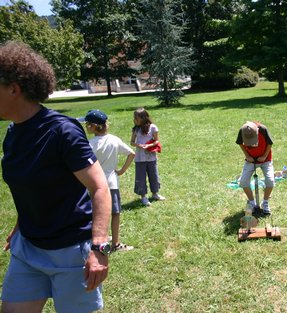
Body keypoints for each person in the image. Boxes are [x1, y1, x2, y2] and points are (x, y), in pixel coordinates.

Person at [0, 41, 111, 312]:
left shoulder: (62, 131)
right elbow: (32, 185)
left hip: (71, 251)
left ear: (14, 89)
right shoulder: (13, 134)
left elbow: (99, 188)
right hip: (28, 248)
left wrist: (99, 248)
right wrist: (20, 222)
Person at [84, 109, 136, 252]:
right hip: (112, 183)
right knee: (115, 213)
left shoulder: (90, 144)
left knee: (96, 213)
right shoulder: (114, 139)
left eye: (87, 124)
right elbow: (132, 153)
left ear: (95, 126)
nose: (86, 126)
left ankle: (97, 241)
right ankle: (116, 243)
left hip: (95, 185)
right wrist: (121, 171)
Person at [236, 121, 275, 214]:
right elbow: (240, 143)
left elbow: (270, 143)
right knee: (243, 181)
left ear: (257, 131)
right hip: (250, 160)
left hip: (265, 160)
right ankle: (252, 202)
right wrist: (247, 156)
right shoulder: (243, 130)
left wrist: (265, 156)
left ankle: (265, 202)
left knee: (270, 181)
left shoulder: (263, 129)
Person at [130, 107, 165, 206]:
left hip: (151, 157)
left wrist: (148, 145)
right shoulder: (135, 129)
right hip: (139, 159)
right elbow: (132, 142)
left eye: (136, 118)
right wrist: (139, 145)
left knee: (154, 176)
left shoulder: (153, 127)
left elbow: (156, 141)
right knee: (140, 177)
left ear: (143, 117)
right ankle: (143, 197)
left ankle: (155, 194)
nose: (134, 120)